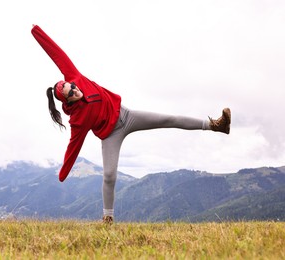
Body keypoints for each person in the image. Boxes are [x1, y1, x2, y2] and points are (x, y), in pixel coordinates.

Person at [31, 25, 231, 224]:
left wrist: (36, 31)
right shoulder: (77, 121)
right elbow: (73, 147)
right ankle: (108, 218)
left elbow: (57, 54)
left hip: (127, 115)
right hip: (111, 135)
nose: (74, 90)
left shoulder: (75, 76)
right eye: (70, 93)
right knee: (109, 175)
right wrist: (63, 174)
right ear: (68, 102)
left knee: (168, 119)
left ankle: (216, 125)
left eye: (71, 86)